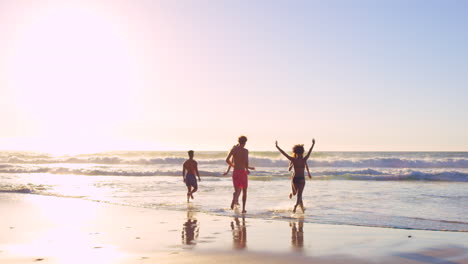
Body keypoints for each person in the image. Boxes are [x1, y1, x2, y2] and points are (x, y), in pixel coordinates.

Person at [276, 139, 315, 213]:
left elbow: (284, 153)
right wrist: (313, 144)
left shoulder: (295, 159)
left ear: (295, 152)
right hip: (300, 179)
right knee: (298, 195)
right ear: (301, 152)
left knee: (298, 194)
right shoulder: (302, 159)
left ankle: (299, 207)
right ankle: (296, 205)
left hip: (297, 179)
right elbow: (310, 151)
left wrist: (277, 146)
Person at [225, 136, 254, 213]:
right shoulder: (245, 151)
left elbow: (227, 160)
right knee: (244, 191)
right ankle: (243, 209)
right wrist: (247, 169)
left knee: (237, 190)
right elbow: (246, 162)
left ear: (238, 141)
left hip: (235, 172)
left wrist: (233, 166)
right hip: (242, 172)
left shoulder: (234, 149)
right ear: (244, 142)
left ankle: (234, 200)